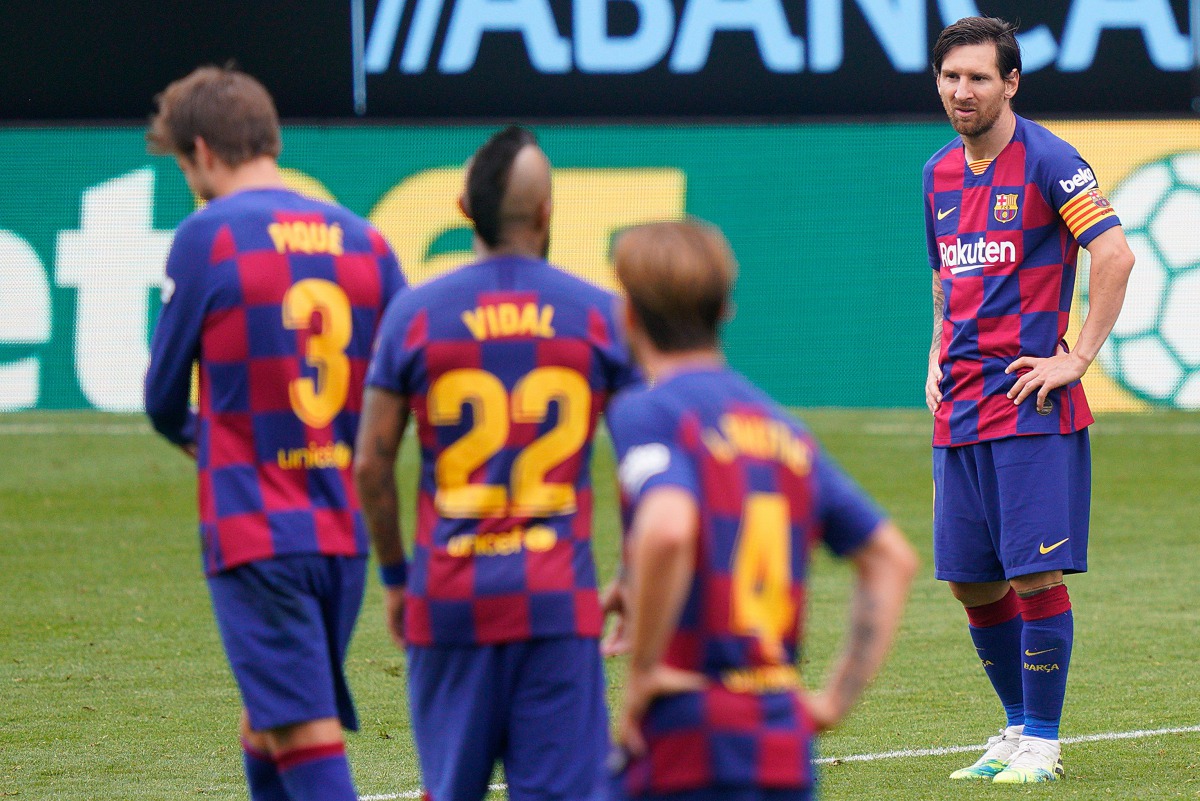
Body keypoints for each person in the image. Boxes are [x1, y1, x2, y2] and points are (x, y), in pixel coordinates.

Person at [353, 126, 639, 801]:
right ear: (546, 213)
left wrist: (398, 578)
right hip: (556, 602)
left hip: (449, 597)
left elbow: (370, 462)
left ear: (461, 210)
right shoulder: (601, 316)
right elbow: (646, 462)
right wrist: (628, 573)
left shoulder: (413, 314)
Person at [144, 66, 406, 801]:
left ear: (200, 150)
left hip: (257, 528)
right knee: (269, 720)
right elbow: (408, 377)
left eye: (182, 163)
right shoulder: (369, 244)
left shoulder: (208, 236)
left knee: (301, 728)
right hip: (343, 530)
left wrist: (206, 438)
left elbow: (163, 395)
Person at [605, 219, 918, 801]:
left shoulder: (647, 411)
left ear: (628, 315)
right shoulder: (783, 429)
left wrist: (644, 669)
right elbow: (890, 557)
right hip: (781, 741)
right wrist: (830, 703)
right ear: (726, 310)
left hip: (688, 733)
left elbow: (669, 527)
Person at [923, 17, 1135, 783]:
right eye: (951, 77)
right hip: (961, 409)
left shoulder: (1050, 160)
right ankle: (1014, 729)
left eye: (978, 77)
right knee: (969, 577)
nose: (962, 91)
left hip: (1027, 406)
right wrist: (935, 355)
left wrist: (1077, 356)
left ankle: (1044, 742)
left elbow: (1114, 254)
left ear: (1010, 82)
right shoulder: (938, 172)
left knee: (1033, 574)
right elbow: (947, 280)